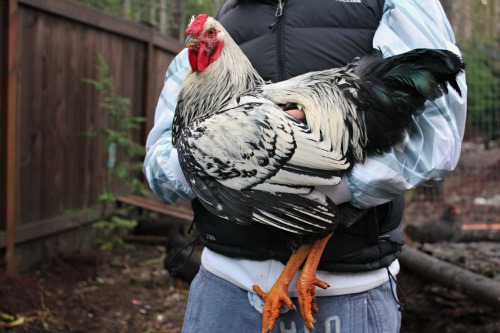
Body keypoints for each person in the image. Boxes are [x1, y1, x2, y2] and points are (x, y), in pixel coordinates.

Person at [143, 0, 467, 332]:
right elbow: (160, 168)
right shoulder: (228, 12)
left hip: (348, 298)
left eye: (208, 35)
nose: (198, 41)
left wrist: (332, 188)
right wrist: (218, 156)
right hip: (221, 289)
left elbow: (437, 137)